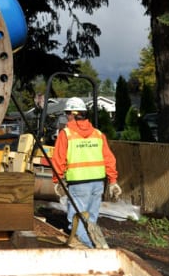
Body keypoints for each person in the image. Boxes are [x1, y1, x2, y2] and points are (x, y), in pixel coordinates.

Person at [51, 97, 121, 248]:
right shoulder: (97, 133)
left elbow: (58, 159)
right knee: (91, 219)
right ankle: (96, 245)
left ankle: (88, 250)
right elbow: (109, 158)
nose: (66, 116)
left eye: (67, 113)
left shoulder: (66, 134)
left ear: (72, 114)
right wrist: (113, 181)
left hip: (78, 184)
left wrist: (57, 181)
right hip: (97, 184)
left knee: (78, 220)